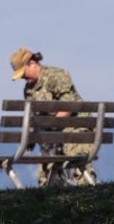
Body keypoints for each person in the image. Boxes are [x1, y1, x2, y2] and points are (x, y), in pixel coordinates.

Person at [10, 47, 97, 186]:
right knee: (45, 168)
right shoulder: (29, 90)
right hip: (52, 135)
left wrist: (50, 125)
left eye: (23, 73)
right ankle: (51, 199)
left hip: (77, 128)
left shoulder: (56, 76)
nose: (23, 77)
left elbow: (69, 105)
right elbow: (34, 118)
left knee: (74, 154)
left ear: (32, 63)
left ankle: (88, 193)